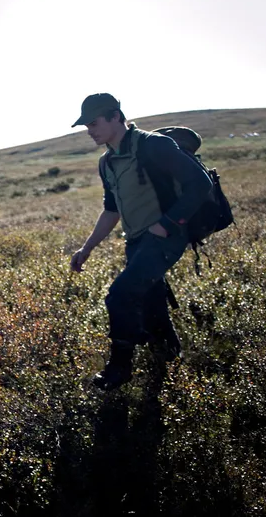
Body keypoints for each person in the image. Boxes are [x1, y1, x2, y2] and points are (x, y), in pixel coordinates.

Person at [69, 93, 213, 391]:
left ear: (115, 116)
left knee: (119, 296)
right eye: (86, 126)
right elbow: (112, 210)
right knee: (152, 306)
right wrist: (87, 248)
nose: (89, 130)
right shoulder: (106, 162)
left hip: (165, 237)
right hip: (136, 242)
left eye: (94, 123)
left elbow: (200, 183)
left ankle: (120, 368)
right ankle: (171, 363)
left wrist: (167, 224)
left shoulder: (153, 145)